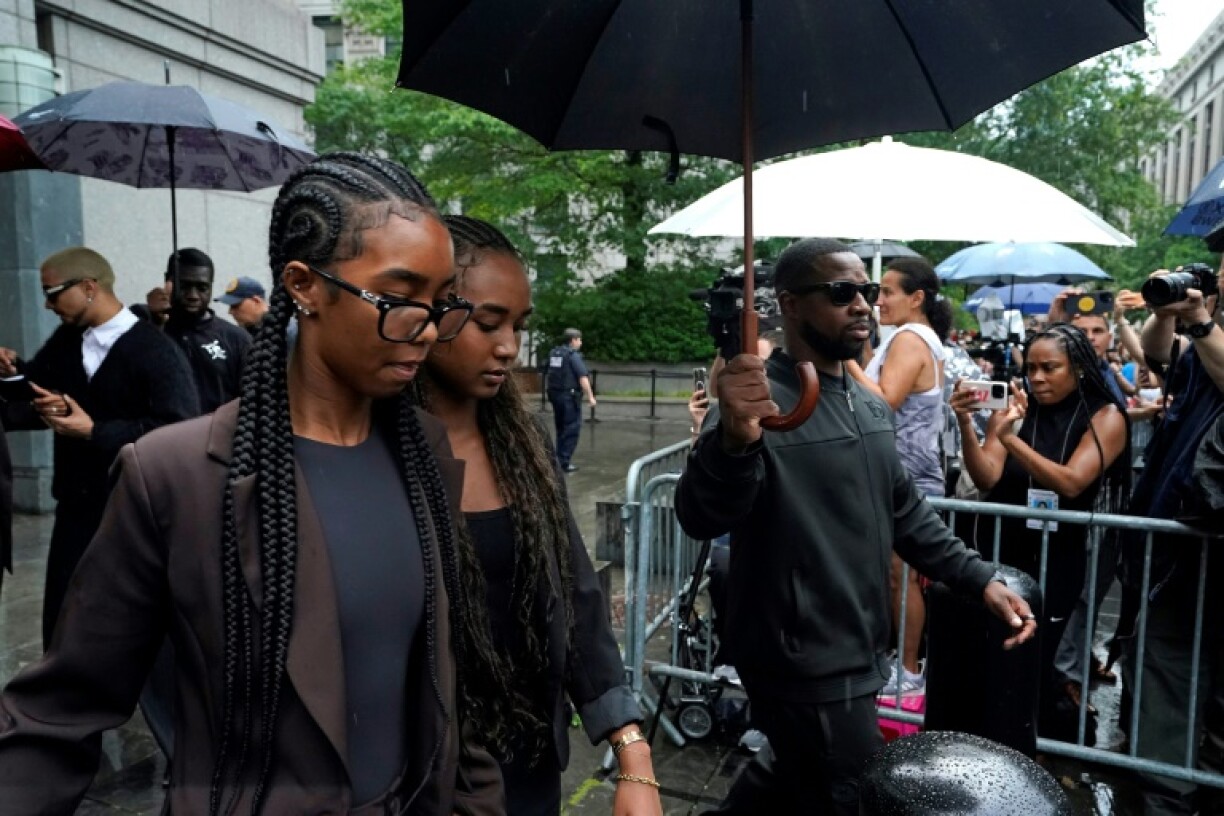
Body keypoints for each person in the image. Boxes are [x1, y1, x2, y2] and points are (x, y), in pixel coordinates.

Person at [0, 153, 506, 814]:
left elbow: (447, 679)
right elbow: (59, 713)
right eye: (399, 298)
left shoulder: (427, 456)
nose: (431, 329)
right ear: (302, 284)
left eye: (441, 305)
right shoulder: (173, 478)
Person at [675, 237, 1036, 815]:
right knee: (850, 793)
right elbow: (700, 515)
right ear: (790, 305)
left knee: (791, 776)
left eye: (867, 292)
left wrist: (980, 579)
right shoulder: (755, 402)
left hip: (858, 646)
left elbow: (904, 513)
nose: (863, 305)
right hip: (801, 658)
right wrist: (733, 442)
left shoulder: (864, 403)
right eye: (842, 293)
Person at [413, 215, 661, 816]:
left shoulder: (524, 448)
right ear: (427, 312)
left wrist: (631, 749)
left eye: (518, 326)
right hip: (424, 777)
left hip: (529, 764)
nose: (508, 346)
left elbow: (576, 595)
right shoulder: (378, 454)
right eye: (487, 321)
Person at [0, 247, 200, 648]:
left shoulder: (156, 351)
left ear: (89, 287)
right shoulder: (67, 340)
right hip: (76, 507)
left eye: (53, 292)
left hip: (134, 510)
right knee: (64, 619)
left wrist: (95, 431)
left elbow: (179, 429)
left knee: (131, 625)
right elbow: (36, 389)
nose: (46, 303)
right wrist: (11, 375)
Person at [950, 323, 1130, 739]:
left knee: (1038, 653)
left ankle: (1034, 744)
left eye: (1050, 368)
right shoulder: (1017, 408)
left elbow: (1070, 482)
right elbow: (987, 476)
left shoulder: (1106, 416)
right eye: (1031, 368)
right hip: (1005, 549)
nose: (1037, 378)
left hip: (1059, 556)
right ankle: (992, 737)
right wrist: (965, 424)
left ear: (1080, 369)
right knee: (994, 646)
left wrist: (1011, 440)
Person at [1123, 260, 1224, 815]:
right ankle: (1165, 796)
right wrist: (1167, 314)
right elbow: (1159, 356)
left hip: (1212, 546)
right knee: (1164, 670)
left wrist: (1204, 324)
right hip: (1173, 544)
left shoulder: (1213, 335)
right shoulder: (1205, 342)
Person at [848, 257, 953, 697]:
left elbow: (884, 401)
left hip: (909, 478)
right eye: (878, 292)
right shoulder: (907, 339)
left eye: (888, 292)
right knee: (895, 576)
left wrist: (844, 361)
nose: (878, 302)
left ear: (917, 298)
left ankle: (908, 670)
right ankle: (899, 661)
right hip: (899, 475)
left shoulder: (911, 339)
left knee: (902, 577)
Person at [163, 247, 251, 413]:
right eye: (184, 286)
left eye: (202, 288)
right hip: (164, 436)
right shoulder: (151, 333)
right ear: (169, 283)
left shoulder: (236, 339)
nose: (193, 295)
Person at [545, 327, 595, 473]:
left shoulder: (555, 353)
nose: (581, 342)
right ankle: (563, 463)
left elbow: (547, 371)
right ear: (573, 340)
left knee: (561, 428)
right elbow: (583, 377)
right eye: (579, 339)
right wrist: (591, 397)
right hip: (569, 397)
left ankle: (557, 460)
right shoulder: (573, 356)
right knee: (571, 429)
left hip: (556, 396)